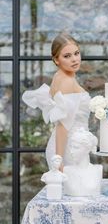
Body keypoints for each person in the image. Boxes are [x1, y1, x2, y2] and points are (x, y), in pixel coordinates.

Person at [22, 32, 102, 196]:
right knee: (77, 197)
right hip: (69, 149)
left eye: (76, 53)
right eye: (67, 56)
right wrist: (58, 160)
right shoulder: (66, 81)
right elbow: (63, 125)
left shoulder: (62, 76)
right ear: (56, 60)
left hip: (70, 144)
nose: (74, 59)